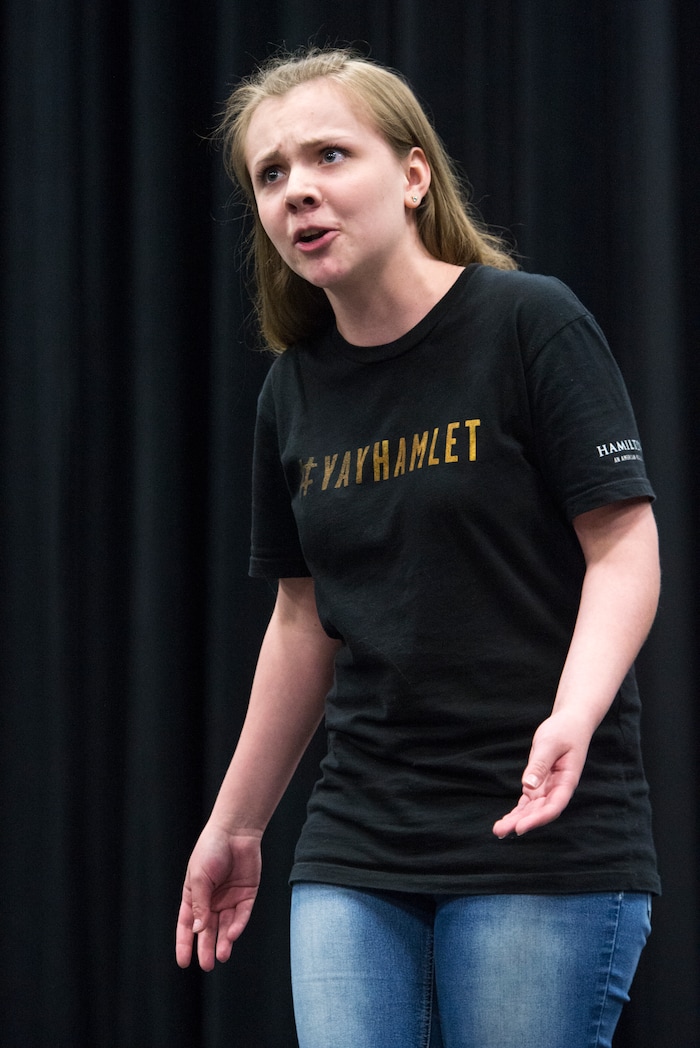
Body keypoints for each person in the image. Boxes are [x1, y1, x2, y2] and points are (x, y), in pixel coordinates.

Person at [176, 47, 661, 1048]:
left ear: (411, 174)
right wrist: (235, 824)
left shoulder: (530, 324)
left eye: (327, 155)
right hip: (361, 836)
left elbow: (623, 544)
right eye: (270, 174)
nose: (297, 189)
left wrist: (573, 713)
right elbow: (303, 619)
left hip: (536, 830)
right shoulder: (292, 392)